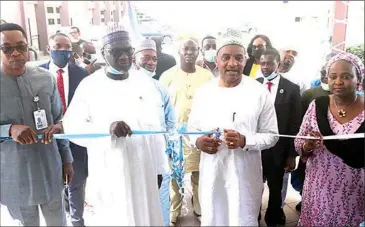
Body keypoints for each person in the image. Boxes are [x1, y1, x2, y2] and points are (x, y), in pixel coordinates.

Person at [61, 24, 164, 226]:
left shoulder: (144, 83)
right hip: (110, 169)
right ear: (102, 53)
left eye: (128, 50)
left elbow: (155, 129)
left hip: (144, 167)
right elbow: (72, 126)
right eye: (116, 51)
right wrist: (106, 129)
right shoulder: (90, 86)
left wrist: (159, 168)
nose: (124, 56)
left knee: (146, 215)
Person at [188, 28, 279, 226]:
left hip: (245, 175)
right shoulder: (204, 92)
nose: (232, 64)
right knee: (214, 218)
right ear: (217, 60)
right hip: (213, 174)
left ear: (246, 60)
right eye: (226, 57)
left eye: (238, 57)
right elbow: (191, 129)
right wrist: (198, 141)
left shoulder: (259, 92)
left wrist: (245, 140)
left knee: (243, 218)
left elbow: (272, 135)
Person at [0, 23, 73, 226]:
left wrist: (67, 159)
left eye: (21, 47)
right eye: (6, 48)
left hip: (50, 169)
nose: (15, 53)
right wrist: (9, 129)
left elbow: (59, 120)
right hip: (15, 175)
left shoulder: (45, 79)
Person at [294, 52, 364, 226]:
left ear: (358, 79)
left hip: (354, 189)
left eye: (346, 76)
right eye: (333, 77)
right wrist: (308, 145)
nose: (338, 82)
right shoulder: (317, 105)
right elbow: (298, 142)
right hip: (319, 187)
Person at [160, 38, 213, 224]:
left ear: (198, 52)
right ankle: (174, 211)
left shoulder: (207, 76)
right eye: (186, 49)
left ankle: (199, 207)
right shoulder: (167, 76)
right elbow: (162, 107)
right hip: (175, 136)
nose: (189, 52)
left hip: (199, 133)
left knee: (200, 173)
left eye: (193, 49)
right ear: (179, 51)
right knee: (175, 176)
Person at [39, 32, 89, 227]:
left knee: (77, 182)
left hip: (75, 136)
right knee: (55, 183)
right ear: (48, 49)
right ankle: (62, 215)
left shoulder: (82, 74)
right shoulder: (38, 74)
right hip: (48, 138)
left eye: (67, 47)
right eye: (58, 46)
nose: (63, 50)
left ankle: (77, 220)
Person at [256, 48, 301, 226]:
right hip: (256, 148)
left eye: (269, 63)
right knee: (254, 186)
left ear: (278, 63)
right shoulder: (254, 84)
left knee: (276, 188)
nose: (265, 67)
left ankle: (274, 218)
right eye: (262, 63)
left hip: (279, 150)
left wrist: (291, 155)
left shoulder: (291, 89)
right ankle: (253, 216)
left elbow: (294, 124)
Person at [132, 38, 176, 189]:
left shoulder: (160, 88)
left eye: (154, 59)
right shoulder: (125, 86)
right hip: (135, 152)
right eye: (146, 58)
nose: (151, 62)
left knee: (159, 196)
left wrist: (170, 145)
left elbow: (170, 120)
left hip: (158, 151)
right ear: (134, 59)